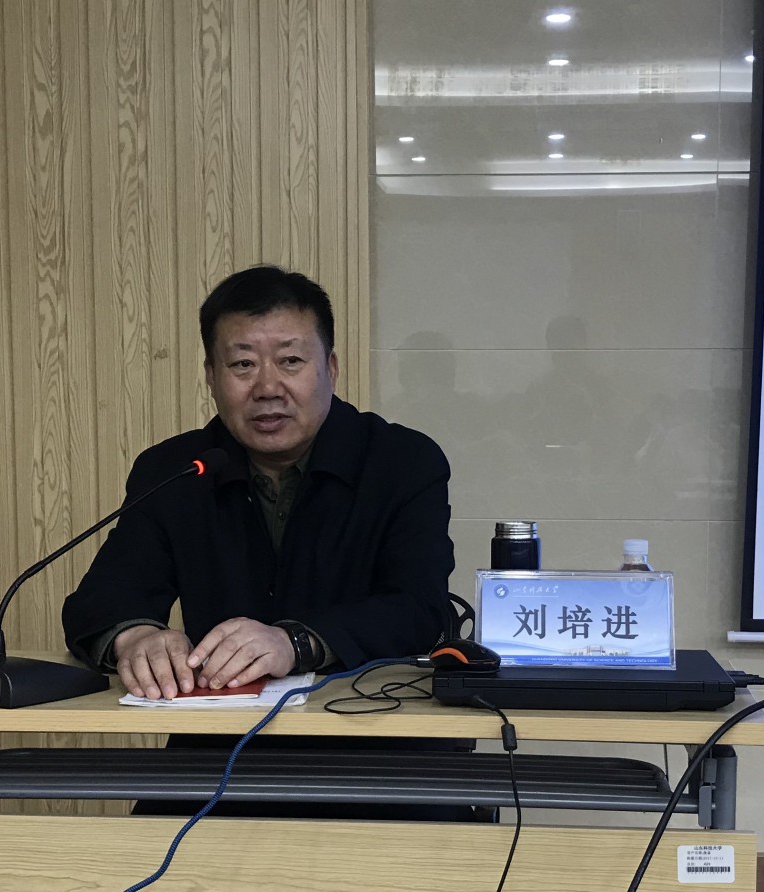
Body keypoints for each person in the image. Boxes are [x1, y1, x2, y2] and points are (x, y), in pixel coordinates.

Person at [63, 265, 467, 820]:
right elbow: (101, 600)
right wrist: (136, 638)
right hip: (220, 760)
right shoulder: (176, 470)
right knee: (140, 865)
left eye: (291, 361)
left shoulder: (402, 462)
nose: (268, 388)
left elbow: (419, 609)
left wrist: (295, 643)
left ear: (330, 367)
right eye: (243, 365)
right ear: (211, 376)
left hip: (380, 756)